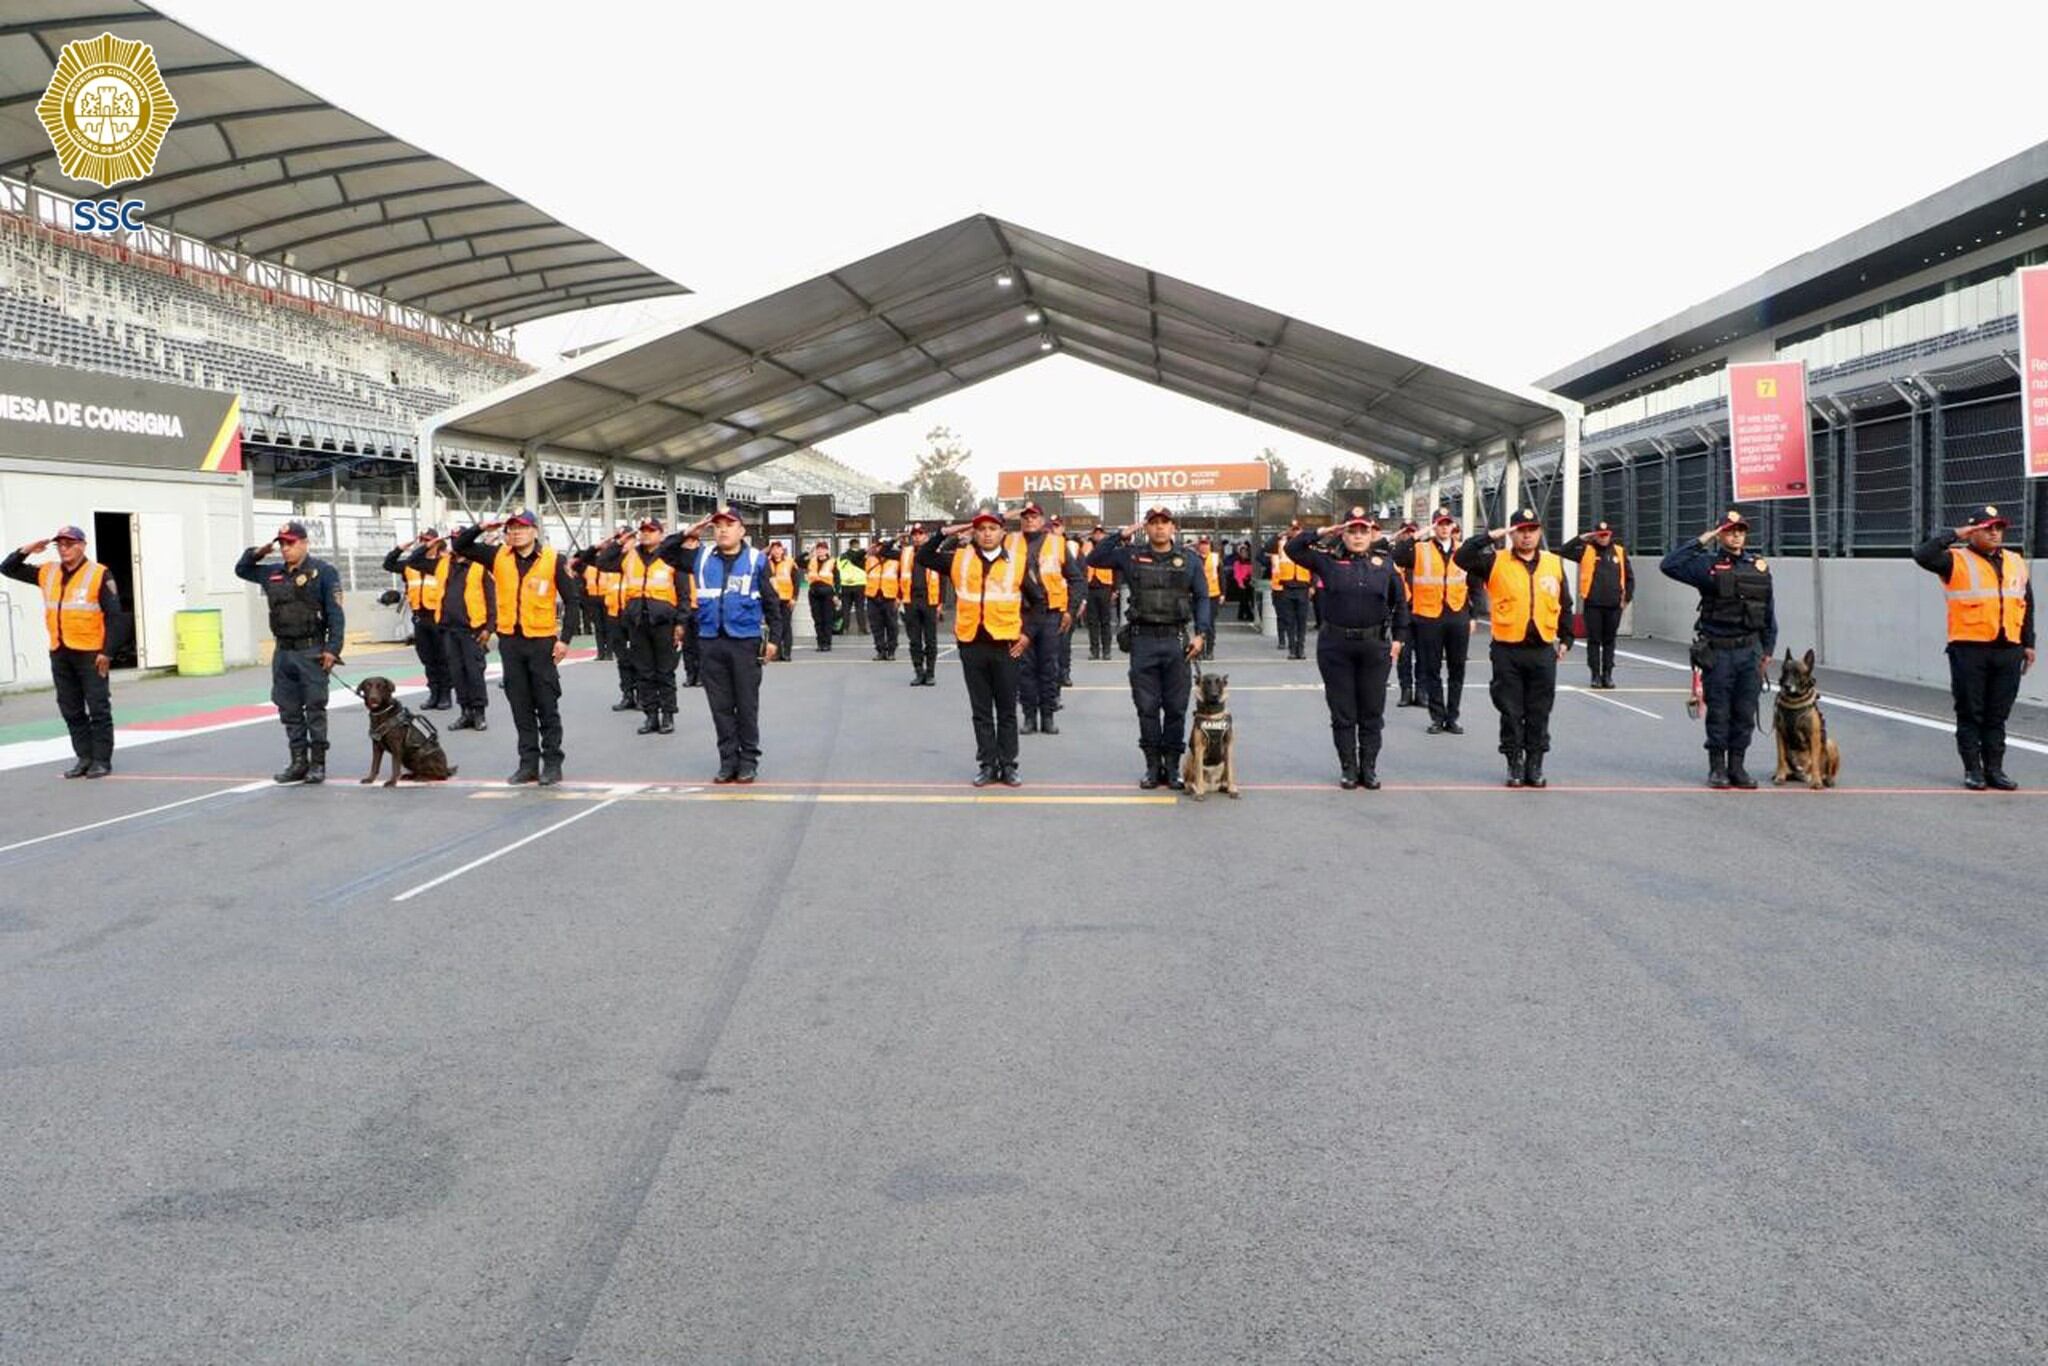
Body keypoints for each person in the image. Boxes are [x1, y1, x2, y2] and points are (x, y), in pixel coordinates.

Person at [1086, 507, 1212, 789]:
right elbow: (1094, 558)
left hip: (1177, 642)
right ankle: (1152, 767)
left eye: (1164, 523)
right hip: (1142, 641)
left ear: (1173, 528)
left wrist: (1202, 634)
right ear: (1146, 528)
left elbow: (1203, 598)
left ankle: (1173, 767)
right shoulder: (1131, 555)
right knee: (1147, 707)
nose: (1159, 528)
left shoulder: (1189, 560)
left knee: (1177, 708)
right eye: (1153, 523)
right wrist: (1120, 535)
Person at [1914, 504, 2034, 790]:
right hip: (1969, 649)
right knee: (1970, 712)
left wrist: (2029, 643)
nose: (1995, 533)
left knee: (1998, 714)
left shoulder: (2016, 561)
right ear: (1972, 532)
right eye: (1987, 528)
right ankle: (1973, 770)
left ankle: (1995, 769)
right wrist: (1956, 534)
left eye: (1998, 528)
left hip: (2008, 649)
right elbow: (1922, 554)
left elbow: (2026, 604)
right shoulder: (1954, 560)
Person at [453, 512, 577, 785]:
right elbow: (460, 546)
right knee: (520, 706)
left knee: (546, 705)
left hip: (542, 643)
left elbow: (572, 600)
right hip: (511, 642)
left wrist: (564, 639)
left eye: (522, 528)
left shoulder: (553, 560)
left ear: (534, 531)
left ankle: (553, 763)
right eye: (511, 529)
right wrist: (482, 526)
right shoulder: (497, 556)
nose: (516, 533)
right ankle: (528, 764)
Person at [1286, 513, 1409, 789]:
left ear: (1371, 534)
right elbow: (1292, 549)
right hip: (1336, 646)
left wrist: (1399, 638)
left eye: (1362, 531)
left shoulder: (1385, 564)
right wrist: (1323, 530)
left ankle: (1369, 768)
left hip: (1374, 646)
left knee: (1371, 711)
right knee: (1343, 712)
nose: (1357, 536)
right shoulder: (1326, 560)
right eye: (1351, 531)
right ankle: (1349, 768)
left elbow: (1400, 603)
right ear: (1343, 533)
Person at [1456, 507, 1573, 789]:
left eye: (1532, 530)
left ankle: (1535, 763)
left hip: (1542, 648)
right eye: (1521, 530)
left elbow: (1565, 603)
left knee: (1540, 710)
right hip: (1508, 649)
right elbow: (1462, 557)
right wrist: (1488, 537)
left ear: (1540, 532)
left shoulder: (1553, 563)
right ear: (1512, 533)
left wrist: (1566, 639)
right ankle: (1514, 763)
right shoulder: (1494, 561)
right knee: (1510, 710)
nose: (1527, 536)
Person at [1659, 508, 1777, 790]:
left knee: (1745, 711)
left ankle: (1738, 766)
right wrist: (1703, 540)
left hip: (1750, 650)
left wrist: (1767, 650)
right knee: (1720, 711)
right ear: (1720, 533)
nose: (1735, 535)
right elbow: (1670, 565)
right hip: (1720, 652)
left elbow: (1768, 611)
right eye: (1728, 530)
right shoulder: (1707, 565)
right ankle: (1718, 768)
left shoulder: (1758, 566)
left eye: (1740, 531)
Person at [4, 526, 128, 778]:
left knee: (98, 708)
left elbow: (116, 617)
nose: (64, 548)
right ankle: (84, 758)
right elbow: (7, 568)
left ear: (82, 545)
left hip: (91, 653)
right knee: (70, 708)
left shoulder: (99, 574)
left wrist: (108, 652)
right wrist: (27, 550)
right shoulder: (47, 572)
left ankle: (102, 760)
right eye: (59, 544)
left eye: (69, 544)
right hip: (60, 651)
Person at [917, 510, 1027, 787]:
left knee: (1006, 710)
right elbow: (924, 556)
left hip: (1006, 645)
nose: (987, 533)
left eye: (992, 528)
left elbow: (1038, 602)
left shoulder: (1018, 562)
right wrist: (947, 531)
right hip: (972, 644)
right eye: (981, 529)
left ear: (1003, 532)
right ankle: (987, 764)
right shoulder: (959, 560)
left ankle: (1009, 765)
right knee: (981, 710)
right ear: (974, 533)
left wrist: (1027, 635)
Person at [235, 520, 345, 784]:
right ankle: (298, 762)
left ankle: (318, 763)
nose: (285, 548)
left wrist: (332, 649)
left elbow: (335, 615)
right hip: (283, 652)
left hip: (312, 650)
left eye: (291, 543)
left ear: (304, 543)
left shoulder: (323, 572)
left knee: (315, 708)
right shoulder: (272, 572)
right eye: (282, 543)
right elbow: (242, 569)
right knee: (288, 709)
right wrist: (259, 552)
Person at [681, 508, 776, 783]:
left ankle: (748, 760)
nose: (722, 530)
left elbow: (772, 603)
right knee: (720, 707)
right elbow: (666, 553)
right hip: (711, 641)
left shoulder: (757, 560)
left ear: (741, 531)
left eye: (729, 525)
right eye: (717, 526)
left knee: (746, 705)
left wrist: (775, 640)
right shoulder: (701, 557)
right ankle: (728, 761)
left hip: (744, 642)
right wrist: (690, 533)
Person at [598, 518, 685, 735]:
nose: (646, 534)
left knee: (665, 671)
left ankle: (667, 715)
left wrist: (681, 623)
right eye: (643, 530)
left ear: (661, 534)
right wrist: (621, 542)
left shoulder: (671, 557)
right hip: (637, 622)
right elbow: (602, 562)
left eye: (651, 530)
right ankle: (650, 716)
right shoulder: (630, 556)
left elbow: (683, 593)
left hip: (663, 622)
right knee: (644, 672)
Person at [1394, 509, 1477, 734]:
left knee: (1457, 668)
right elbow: (1398, 555)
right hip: (1429, 616)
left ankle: (1452, 717)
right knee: (1431, 669)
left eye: (1447, 523)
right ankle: (1437, 717)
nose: (1443, 527)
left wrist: (1473, 615)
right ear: (1433, 526)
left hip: (1457, 613)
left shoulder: (1463, 550)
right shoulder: (1420, 549)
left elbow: (1475, 582)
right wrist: (1418, 534)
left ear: (1453, 526)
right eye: (1439, 524)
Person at [404, 531, 494, 731]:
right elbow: (413, 561)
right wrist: (431, 544)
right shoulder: (443, 564)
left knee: (473, 672)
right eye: (454, 541)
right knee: (457, 673)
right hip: (448, 629)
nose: (457, 545)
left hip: (473, 630)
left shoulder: (479, 567)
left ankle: (479, 713)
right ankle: (465, 712)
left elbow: (491, 599)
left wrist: (489, 628)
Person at [1016, 502, 1082, 735]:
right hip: (1021, 614)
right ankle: (1029, 717)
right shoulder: (1011, 542)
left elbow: (1076, 579)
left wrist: (1070, 611)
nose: (1029, 520)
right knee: (1025, 668)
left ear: (1042, 521)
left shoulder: (1057, 543)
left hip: (1051, 614)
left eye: (1034, 516)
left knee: (1048, 667)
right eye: (1025, 517)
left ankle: (1048, 716)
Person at [383, 530, 453, 710]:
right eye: (422, 541)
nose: (425, 544)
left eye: (428, 541)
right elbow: (388, 564)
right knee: (427, 659)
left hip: (438, 617)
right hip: (420, 618)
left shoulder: (442, 564)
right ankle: (434, 693)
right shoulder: (411, 564)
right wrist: (399, 549)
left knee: (442, 658)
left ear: (437, 543)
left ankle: (445, 694)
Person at [1560, 520, 1633, 689]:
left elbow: (1629, 578)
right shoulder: (1586, 550)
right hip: (1593, 604)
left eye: (1605, 535)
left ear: (1610, 535)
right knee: (1594, 640)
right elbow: (1564, 551)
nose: (1603, 538)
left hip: (1614, 605)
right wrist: (1581, 538)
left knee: (1609, 641)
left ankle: (1608, 674)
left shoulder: (1619, 552)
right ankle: (1595, 674)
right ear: (1595, 535)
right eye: (1599, 535)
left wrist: (1626, 599)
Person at [899, 523, 945, 686]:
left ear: (926, 536)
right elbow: (900, 575)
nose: (917, 536)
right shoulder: (906, 553)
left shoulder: (934, 553)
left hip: (929, 599)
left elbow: (942, 579)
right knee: (914, 640)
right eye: (915, 534)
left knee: (931, 639)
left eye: (920, 534)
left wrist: (941, 602)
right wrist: (899, 598)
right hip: (911, 599)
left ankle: (930, 673)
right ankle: (919, 672)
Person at [1267, 521, 1311, 658]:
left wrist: (1313, 586)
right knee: (1289, 620)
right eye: (1293, 530)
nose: (1296, 532)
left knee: (1302, 621)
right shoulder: (1282, 544)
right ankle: (1292, 649)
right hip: (1286, 587)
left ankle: (1301, 649)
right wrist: (1281, 534)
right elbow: (1267, 548)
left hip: (1303, 587)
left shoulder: (1308, 545)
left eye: (1298, 530)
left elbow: (1315, 566)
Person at [1083, 527, 1120, 660]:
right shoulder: (1086, 547)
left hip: (1105, 587)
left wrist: (1116, 589)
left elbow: (1117, 570)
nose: (1098, 535)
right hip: (1090, 588)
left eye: (1100, 533)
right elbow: (1081, 567)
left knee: (1105, 621)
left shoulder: (1110, 548)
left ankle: (1106, 650)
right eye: (1096, 533)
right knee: (1092, 622)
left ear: (1104, 535)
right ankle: (1094, 651)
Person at [1052, 516, 1080, 685]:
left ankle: (1064, 674)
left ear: (1062, 528)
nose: (1054, 529)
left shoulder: (1071, 547)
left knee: (1063, 646)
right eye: (1052, 526)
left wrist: (1078, 602)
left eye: (1057, 526)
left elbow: (1080, 575)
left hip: (1065, 606)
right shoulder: (1038, 547)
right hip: (1044, 607)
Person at [866, 534, 902, 661]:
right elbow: (854, 557)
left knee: (892, 626)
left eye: (882, 546)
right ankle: (880, 650)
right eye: (878, 546)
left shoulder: (896, 560)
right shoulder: (870, 559)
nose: (879, 549)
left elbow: (902, 579)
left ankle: (891, 651)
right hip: (873, 596)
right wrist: (867, 550)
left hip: (890, 597)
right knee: (876, 626)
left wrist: (899, 597)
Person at [677, 527, 704, 688]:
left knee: (701, 644)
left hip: (701, 608)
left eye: (690, 542)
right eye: (685, 543)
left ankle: (701, 675)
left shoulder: (703, 563)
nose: (688, 546)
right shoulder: (680, 566)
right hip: (686, 609)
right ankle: (690, 675)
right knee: (687, 645)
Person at [766, 540, 799, 661]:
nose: (776, 551)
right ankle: (776, 652)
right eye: (773, 548)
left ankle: (787, 652)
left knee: (786, 626)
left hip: (786, 599)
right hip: (771, 600)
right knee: (774, 626)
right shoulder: (766, 562)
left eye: (778, 548)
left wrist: (794, 598)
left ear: (782, 549)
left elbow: (796, 581)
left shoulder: (790, 562)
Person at [1195, 535, 1225, 660]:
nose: (1204, 546)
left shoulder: (1215, 558)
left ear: (1209, 545)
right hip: (1198, 595)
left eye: (1206, 544)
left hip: (1213, 594)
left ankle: (1210, 650)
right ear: (1198, 546)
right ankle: (1199, 650)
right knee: (1199, 624)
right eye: (1202, 544)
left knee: (1210, 624)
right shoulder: (1194, 559)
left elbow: (1222, 577)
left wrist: (1223, 593)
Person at [806, 540, 839, 651]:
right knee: (817, 619)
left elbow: (837, 579)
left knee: (827, 619)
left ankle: (827, 643)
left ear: (827, 550)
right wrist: (809, 552)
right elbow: (799, 560)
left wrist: (836, 595)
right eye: (818, 549)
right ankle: (820, 643)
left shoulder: (832, 562)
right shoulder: (811, 560)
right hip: (814, 592)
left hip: (827, 592)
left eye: (822, 549)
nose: (820, 551)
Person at [837, 540, 869, 639]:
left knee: (846, 608)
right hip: (859, 584)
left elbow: (838, 569)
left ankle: (845, 628)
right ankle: (862, 629)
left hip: (845, 585)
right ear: (858, 545)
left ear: (849, 545)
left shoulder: (841, 557)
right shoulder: (862, 556)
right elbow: (866, 567)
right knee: (860, 608)